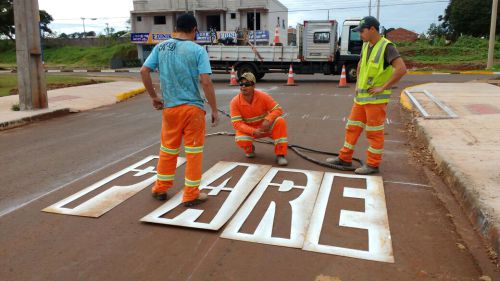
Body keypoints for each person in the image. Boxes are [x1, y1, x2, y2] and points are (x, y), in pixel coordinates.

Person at [140, 13, 219, 207]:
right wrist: (214, 109)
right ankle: (191, 194)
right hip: (192, 110)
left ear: (176, 28)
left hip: (170, 109)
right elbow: (206, 81)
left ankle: (160, 188)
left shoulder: (161, 47)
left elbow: (144, 71)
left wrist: (153, 97)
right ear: (194, 30)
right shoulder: (198, 50)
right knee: (193, 153)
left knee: (168, 150)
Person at [327, 16, 407, 175]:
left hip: (376, 101)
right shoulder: (366, 45)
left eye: (362, 31)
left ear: (372, 29)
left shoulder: (387, 47)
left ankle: (372, 164)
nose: (360, 34)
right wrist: (357, 84)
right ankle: (345, 158)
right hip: (361, 99)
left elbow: (401, 69)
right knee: (352, 127)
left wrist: (383, 87)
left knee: (374, 132)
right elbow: (360, 64)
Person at [230, 72, 288, 166]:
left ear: (253, 86)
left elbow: (278, 109)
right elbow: (236, 123)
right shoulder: (235, 102)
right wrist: (253, 131)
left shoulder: (263, 96)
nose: (243, 87)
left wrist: (268, 119)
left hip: (265, 128)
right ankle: (249, 149)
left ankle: (280, 154)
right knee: (241, 139)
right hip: (250, 131)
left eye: (247, 84)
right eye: (241, 84)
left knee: (280, 121)